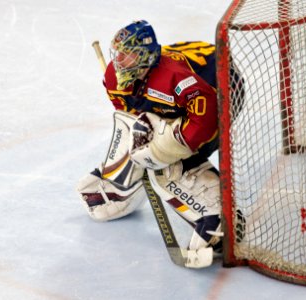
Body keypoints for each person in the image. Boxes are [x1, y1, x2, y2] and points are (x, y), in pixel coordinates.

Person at [77, 20, 223, 260]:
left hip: (221, 82)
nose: (119, 61)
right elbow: (131, 117)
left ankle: (219, 215)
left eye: (128, 55)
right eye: (119, 54)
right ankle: (125, 183)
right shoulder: (114, 77)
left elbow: (206, 118)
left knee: (174, 155)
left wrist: (170, 148)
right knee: (148, 137)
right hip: (186, 88)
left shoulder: (175, 79)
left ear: (144, 56)